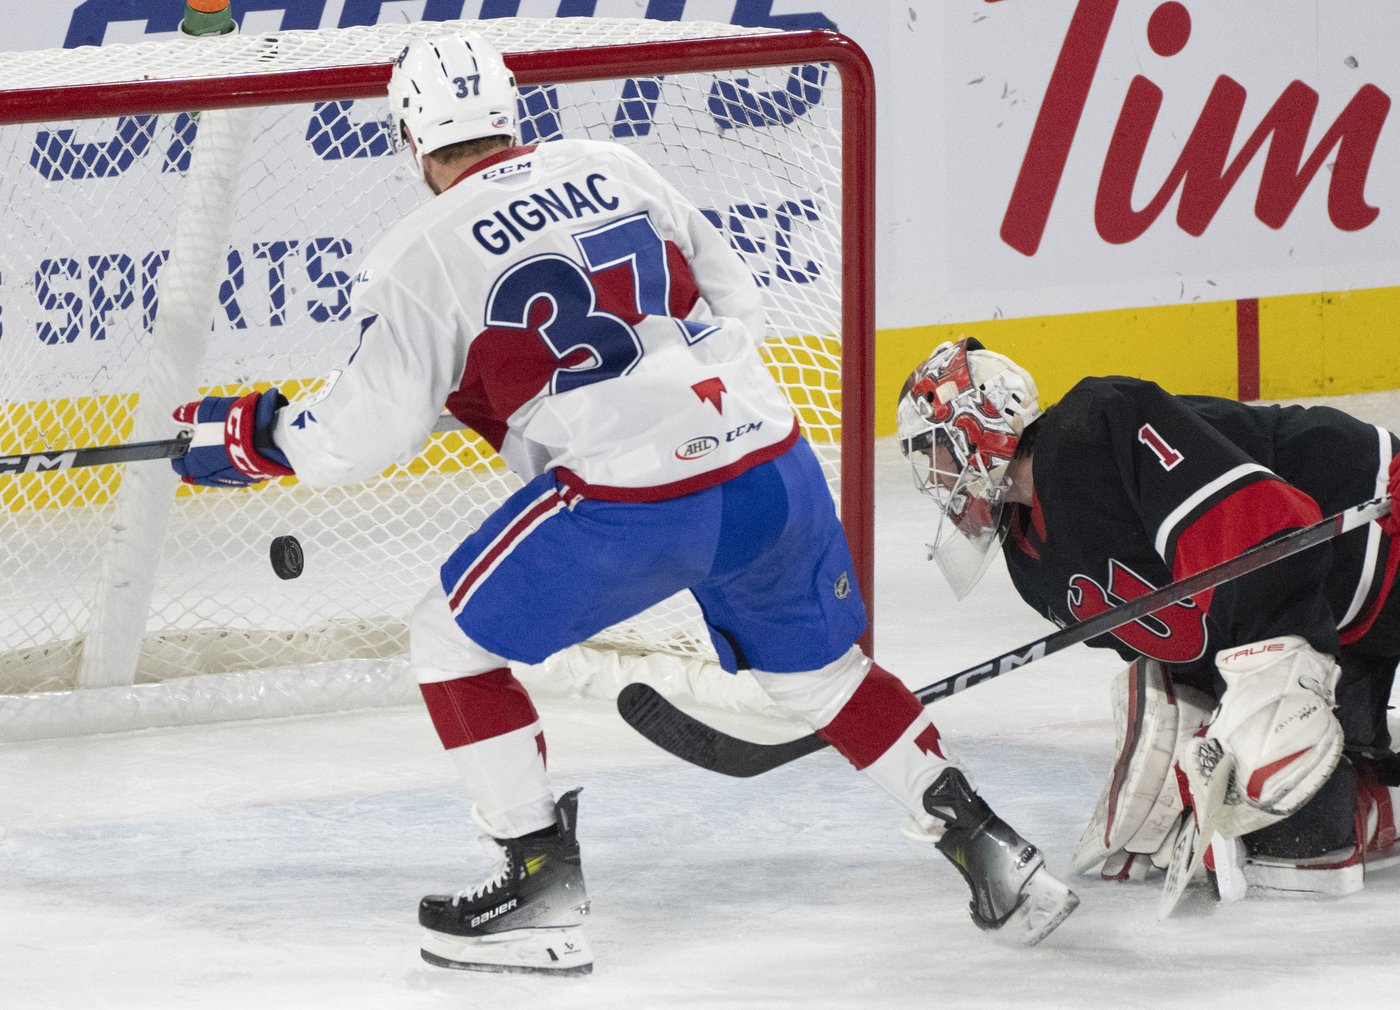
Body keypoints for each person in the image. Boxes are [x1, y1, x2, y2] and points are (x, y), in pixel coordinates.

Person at [167, 33, 1078, 974]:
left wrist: (251, 436)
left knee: (449, 638)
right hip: (769, 460)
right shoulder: (614, 164)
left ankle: (537, 883)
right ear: (509, 108)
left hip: (632, 498)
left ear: (409, 136)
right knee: (825, 679)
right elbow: (736, 303)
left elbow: (356, 435)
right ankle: (994, 850)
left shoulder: (418, 251)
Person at [896, 337, 1400, 899]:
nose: (933, 477)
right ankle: (1376, 788)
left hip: (1373, 522)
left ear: (979, 418)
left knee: (1273, 757)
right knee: (1296, 839)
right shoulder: (1030, 566)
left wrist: (1260, 699)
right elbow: (1182, 644)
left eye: (934, 450)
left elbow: (1258, 535)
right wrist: (1183, 736)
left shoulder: (1094, 425)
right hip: (1333, 620)